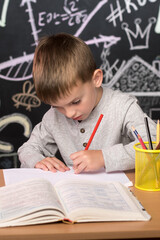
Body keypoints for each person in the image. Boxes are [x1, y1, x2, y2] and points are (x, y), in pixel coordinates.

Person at [18, 32, 156, 174]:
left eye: (76, 102)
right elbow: (27, 149)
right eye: (57, 106)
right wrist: (37, 160)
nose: (70, 113)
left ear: (96, 79)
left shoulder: (123, 107)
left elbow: (153, 144)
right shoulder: (53, 117)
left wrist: (104, 157)